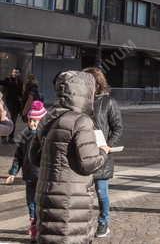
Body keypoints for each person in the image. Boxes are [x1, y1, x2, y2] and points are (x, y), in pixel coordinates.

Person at [30, 70, 107, 243]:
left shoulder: (48, 117)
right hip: (71, 200)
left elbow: (34, 158)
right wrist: (103, 151)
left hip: (47, 195)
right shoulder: (81, 121)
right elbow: (88, 164)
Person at [84, 67, 122, 239]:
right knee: (81, 194)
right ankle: (82, 223)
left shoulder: (108, 102)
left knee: (101, 192)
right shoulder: (80, 102)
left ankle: (103, 222)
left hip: (101, 154)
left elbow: (117, 128)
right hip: (82, 153)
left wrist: (107, 145)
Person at [5, 100, 45, 241]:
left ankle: (39, 225)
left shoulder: (46, 136)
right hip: (29, 175)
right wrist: (12, 172)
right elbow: (18, 156)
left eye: (36, 121)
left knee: (42, 202)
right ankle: (33, 223)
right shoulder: (25, 135)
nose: (33, 124)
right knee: (31, 202)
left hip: (43, 176)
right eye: (30, 120)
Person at [2, 68, 22, 144]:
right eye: (14, 72)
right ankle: (4, 138)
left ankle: (11, 137)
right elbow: (3, 83)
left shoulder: (20, 82)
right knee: (6, 121)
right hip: (7, 104)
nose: (15, 74)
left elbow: (20, 93)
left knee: (13, 122)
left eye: (17, 72)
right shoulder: (8, 79)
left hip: (16, 105)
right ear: (12, 72)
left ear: (19, 73)